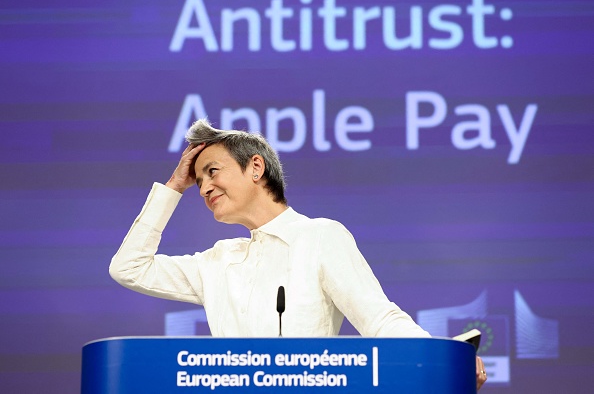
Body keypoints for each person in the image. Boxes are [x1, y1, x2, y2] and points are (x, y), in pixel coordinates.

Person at [109, 119, 487, 389]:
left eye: (212, 171)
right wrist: (174, 185)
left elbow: (380, 320)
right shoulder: (216, 261)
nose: (204, 186)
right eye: (198, 179)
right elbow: (130, 268)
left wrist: (441, 360)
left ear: (255, 166)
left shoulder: (320, 236)